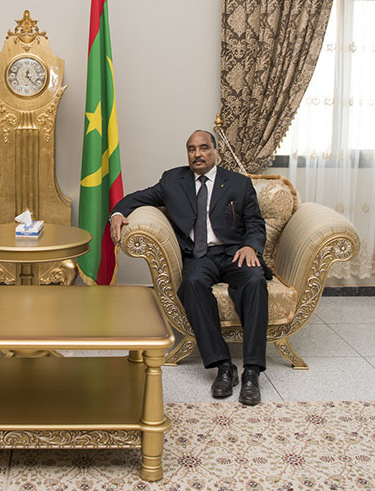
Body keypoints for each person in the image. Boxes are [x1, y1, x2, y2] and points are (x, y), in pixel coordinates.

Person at [110, 130, 268, 406]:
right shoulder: (173, 180)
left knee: (254, 280)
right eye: (192, 149)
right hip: (199, 256)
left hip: (234, 252)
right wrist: (118, 214)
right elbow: (136, 198)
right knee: (193, 284)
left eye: (204, 148)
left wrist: (250, 247)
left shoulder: (239, 183)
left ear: (216, 152)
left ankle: (252, 371)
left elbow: (255, 223)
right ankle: (223, 366)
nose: (198, 154)